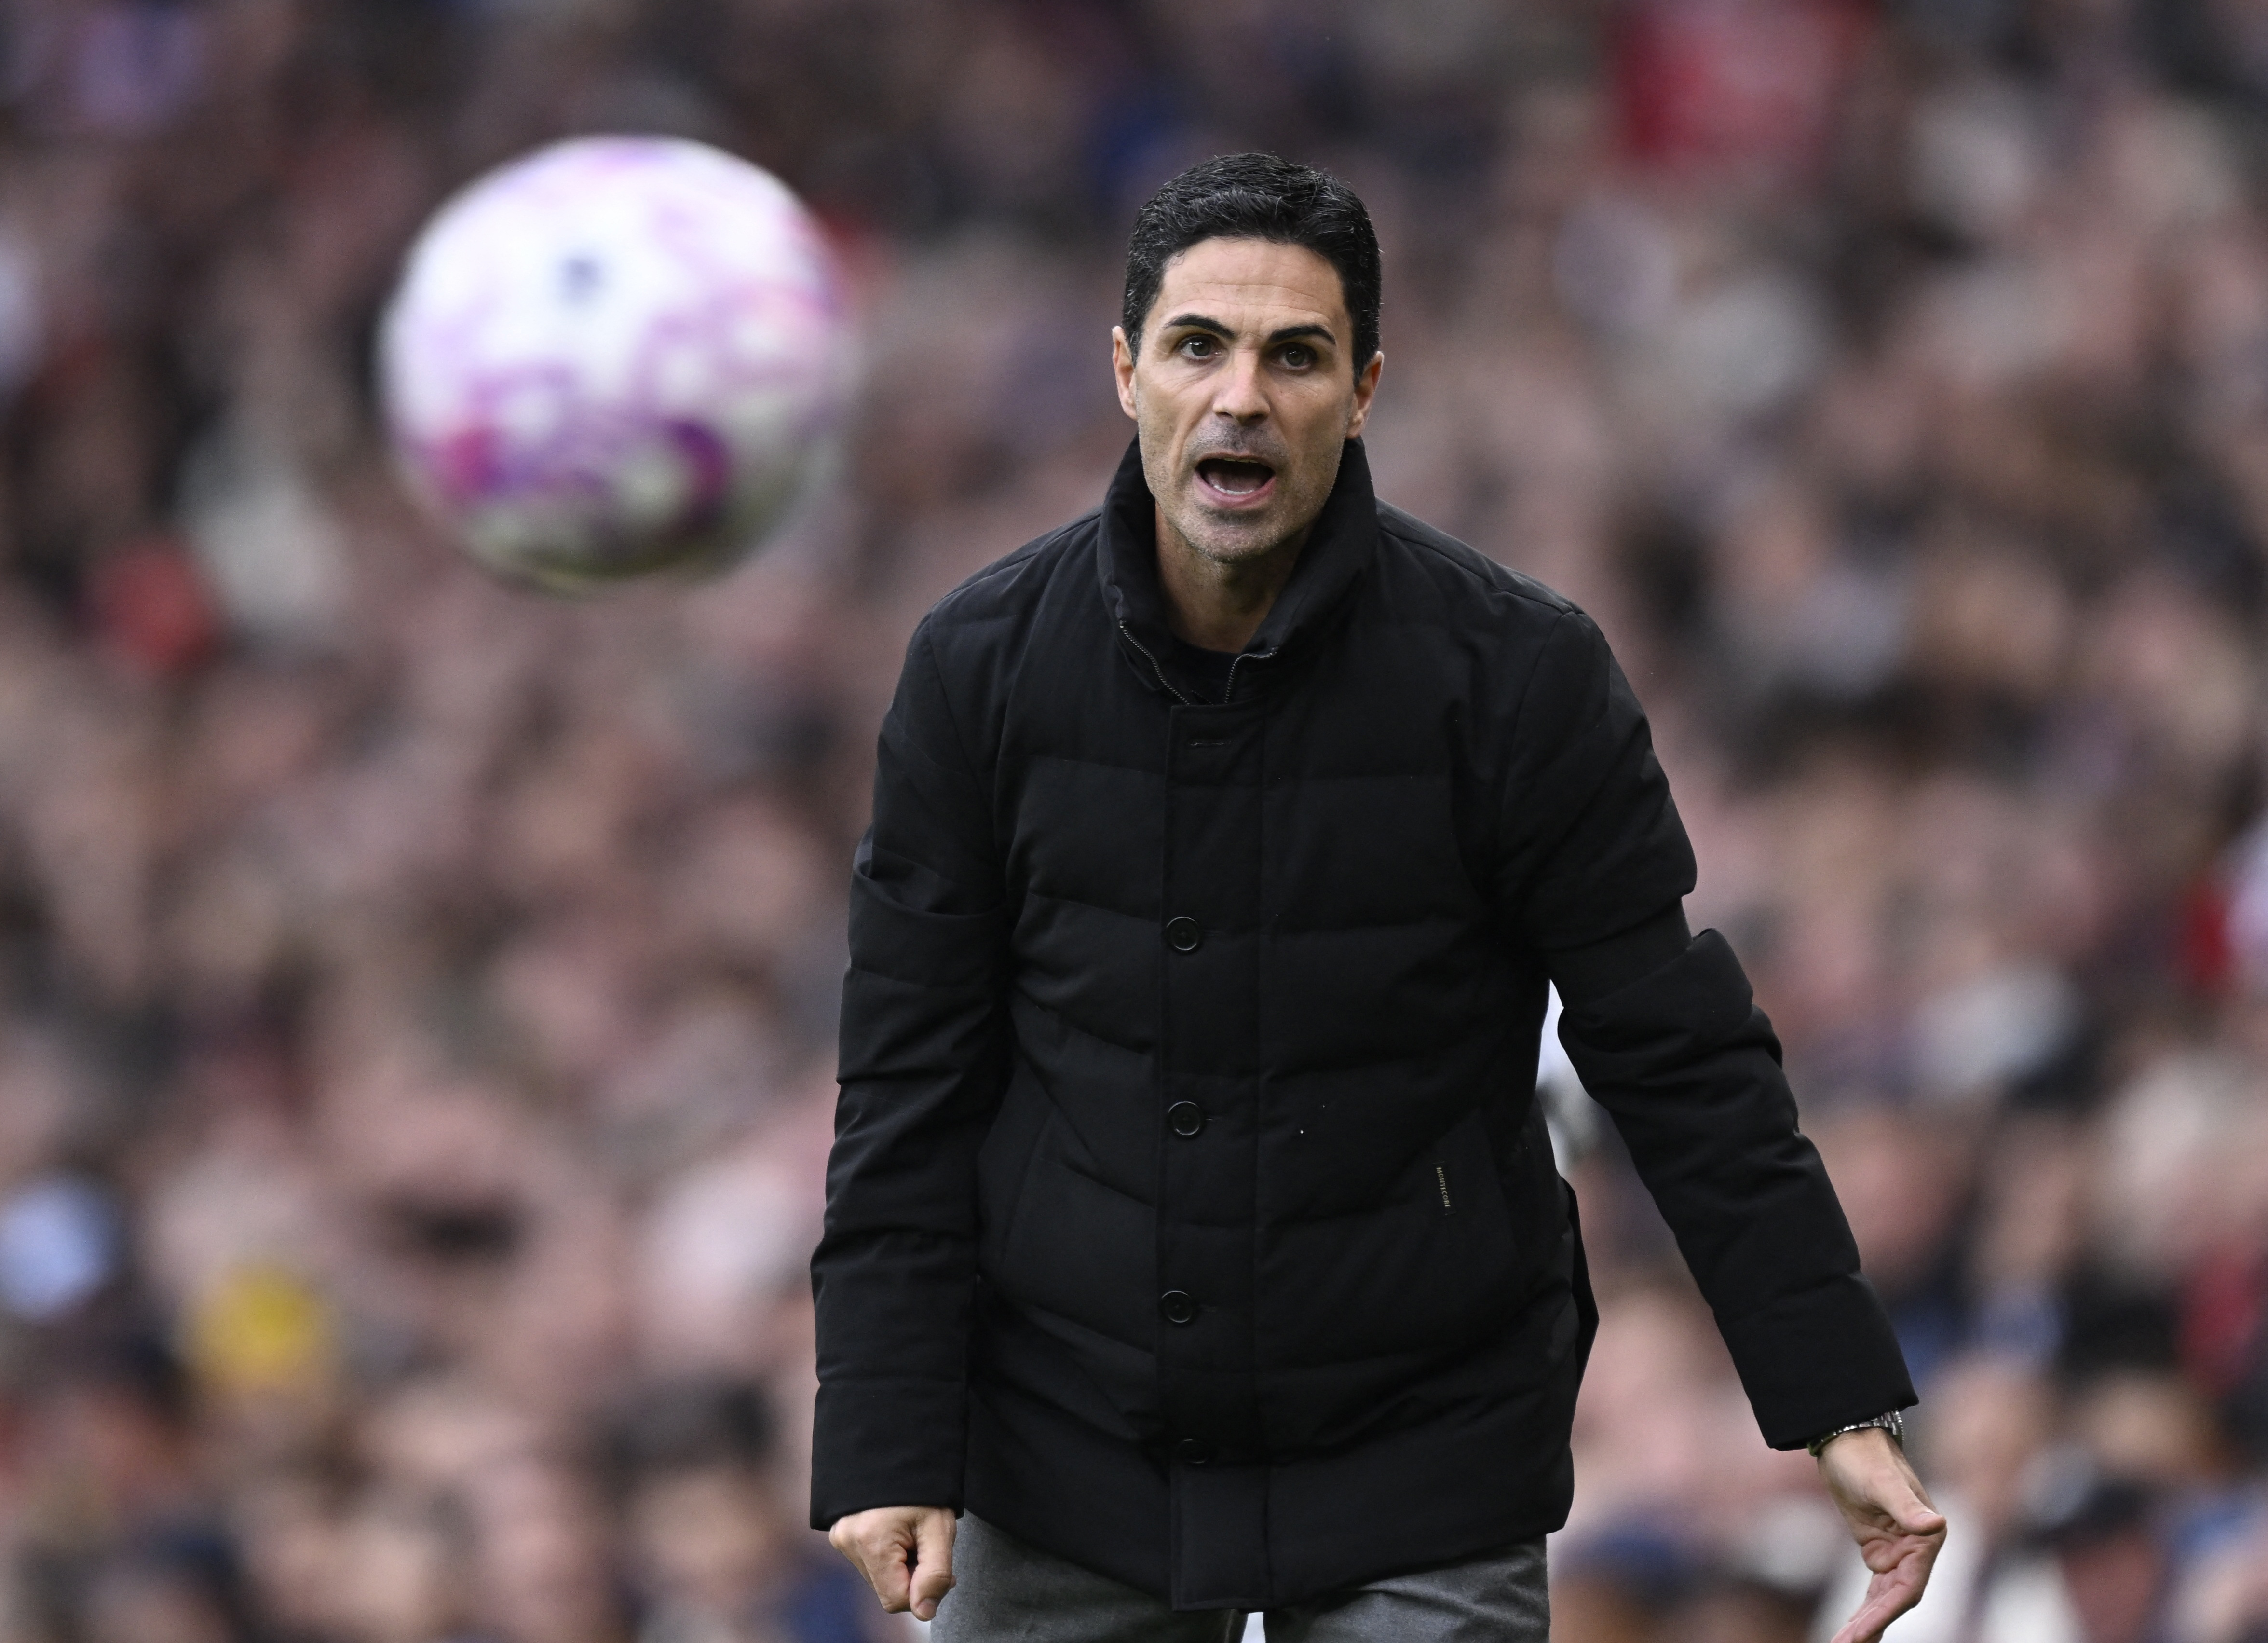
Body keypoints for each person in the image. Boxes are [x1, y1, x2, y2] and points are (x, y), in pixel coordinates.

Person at [810, 152, 1946, 1643]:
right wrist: (887, 1434)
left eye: (1296, 356)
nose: (1241, 397)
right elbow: (909, 1082)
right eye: (1199, 347)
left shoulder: (1520, 675)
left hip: (1427, 1448)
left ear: (1363, 391)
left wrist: (1839, 1402)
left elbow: (1680, 1054)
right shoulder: (979, 667)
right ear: (1126, 372)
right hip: (1065, 1445)